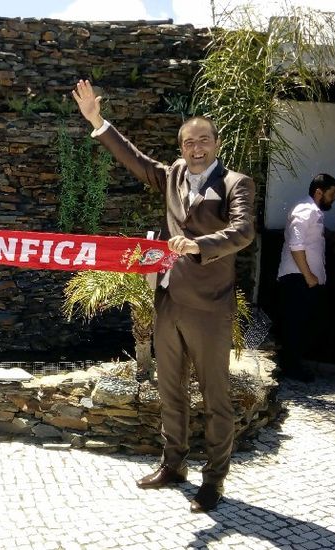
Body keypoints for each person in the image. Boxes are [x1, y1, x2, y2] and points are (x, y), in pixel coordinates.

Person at [72, 80, 255, 513]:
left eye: (203, 141)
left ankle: (214, 479)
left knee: (215, 395)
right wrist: (97, 120)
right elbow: (134, 160)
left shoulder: (235, 182)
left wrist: (200, 245)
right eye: (188, 142)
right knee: (169, 389)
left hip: (209, 306)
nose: (195, 148)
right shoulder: (172, 174)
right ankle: (173, 464)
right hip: (168, 301)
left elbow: (244, 231)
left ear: (217, 143)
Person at [275, 174, 335, 382]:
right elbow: (296, 243)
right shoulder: (305, 209)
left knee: (303, 325)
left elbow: (311, 234)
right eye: (332, 194)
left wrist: (329, 235)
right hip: (298, 278)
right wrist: (308, 275)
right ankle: (291, 368)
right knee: (296, 325)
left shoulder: (313, 211)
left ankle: (294, 365)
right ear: (319, 192)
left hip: (304, 279)